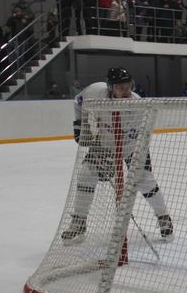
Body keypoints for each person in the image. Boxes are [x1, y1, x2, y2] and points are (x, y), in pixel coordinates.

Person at [61, 67, 174, 244]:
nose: (126, 91)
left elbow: (133, 138)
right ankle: (79, 222)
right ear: (110, 88)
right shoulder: (95, 92)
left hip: (133, 146)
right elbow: (78, 102)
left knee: (145, 181)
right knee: (85, 175)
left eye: (128, 86)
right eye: (120, 87)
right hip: (104, 143)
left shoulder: (136, 105)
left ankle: (163, 217)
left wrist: (110, 163)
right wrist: (79, 125)